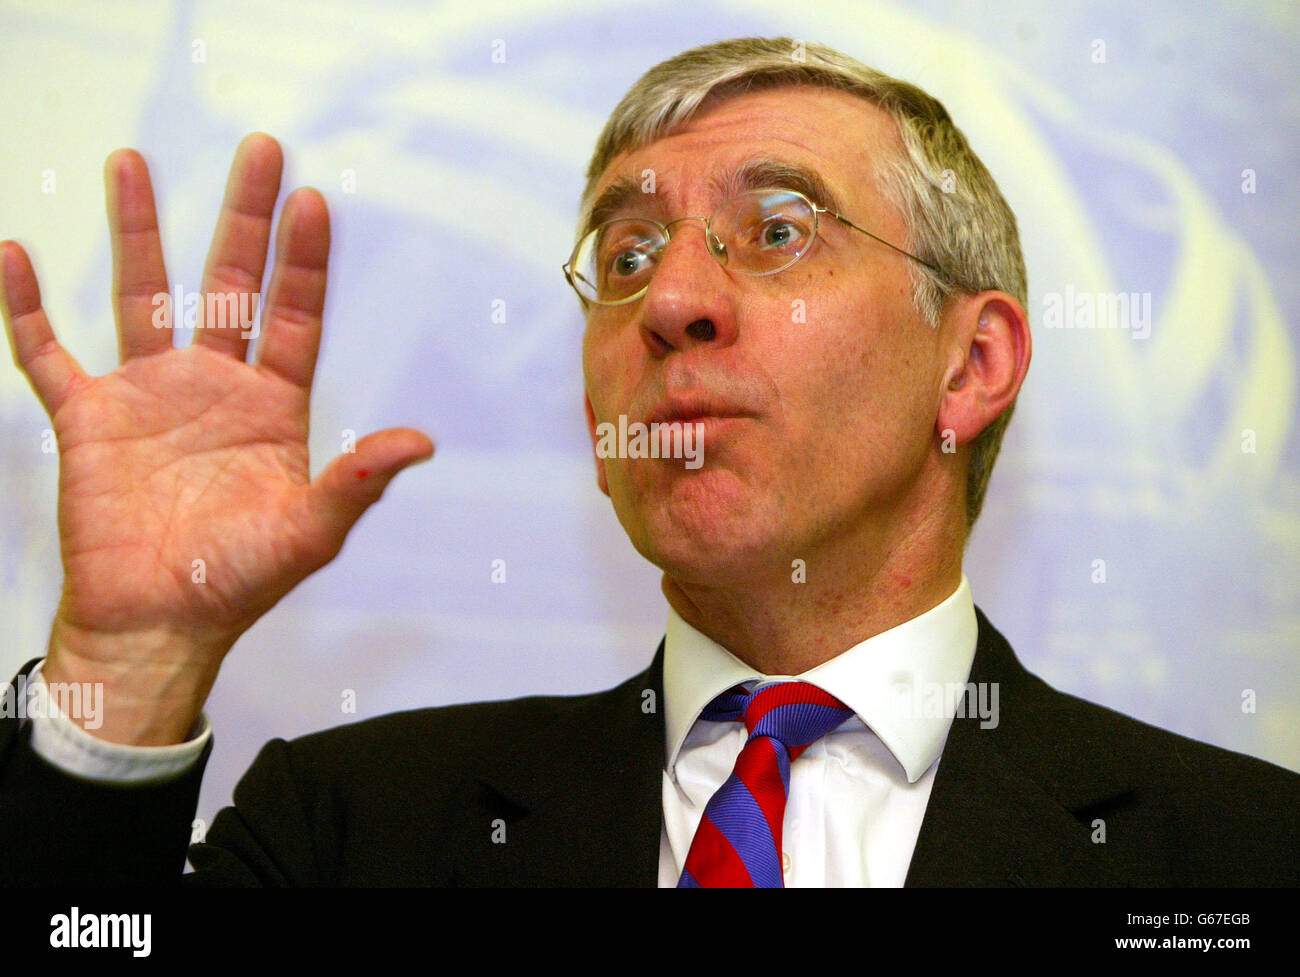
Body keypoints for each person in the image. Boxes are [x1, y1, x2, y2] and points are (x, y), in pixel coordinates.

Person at [1, 37, 1296, 887]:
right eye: (625, 256)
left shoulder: (1239, 858)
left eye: (777, 232)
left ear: (971, 365)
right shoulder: (355, 829)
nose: (670, 300)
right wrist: (132, 667)